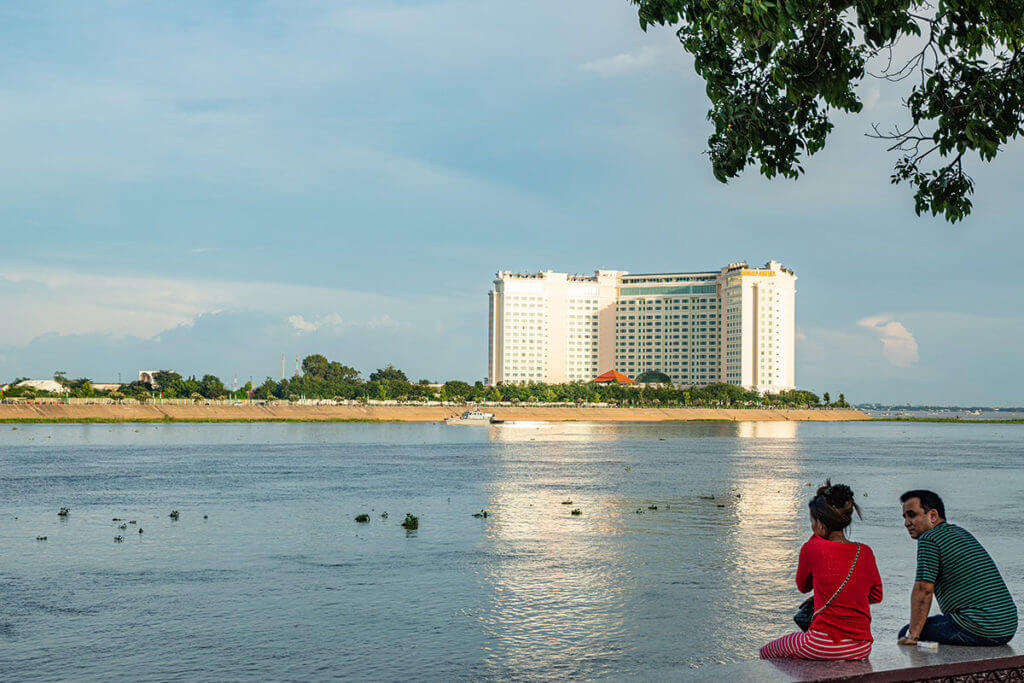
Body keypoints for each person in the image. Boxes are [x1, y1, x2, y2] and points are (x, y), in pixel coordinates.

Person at [760, 482, 883, 660]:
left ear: (821, 524)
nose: (812, 526)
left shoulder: (812, 547)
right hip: (861, 647)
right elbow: (876, 596)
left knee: (766, 652)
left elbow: (802, 586)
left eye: (812, 521)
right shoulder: (865, 551)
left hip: (823, 644)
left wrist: (815, 538)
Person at [897, 490, 1017, 646]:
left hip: (979, 627)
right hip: (1007, 627)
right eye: (905, 517)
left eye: (912, 515)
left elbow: (923, 589)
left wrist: (912, 636)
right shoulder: (960, 532)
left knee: (906, 632)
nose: (906, 523)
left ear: (932, 516)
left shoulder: (929, 539)